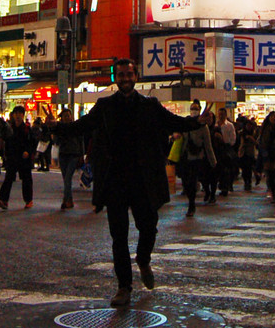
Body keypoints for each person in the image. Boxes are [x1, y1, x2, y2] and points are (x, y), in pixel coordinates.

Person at [50, 58, 201, 308]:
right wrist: (59, 128)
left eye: (129, 74)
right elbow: (83, 126)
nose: (125, 79)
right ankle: (124, 286)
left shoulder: (150, 105)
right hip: (115, 180)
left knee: (149, 226)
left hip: (144, 180)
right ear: (115, 78)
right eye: (120, 75)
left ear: (136, 76)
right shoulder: (105, 105)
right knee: (118, 236)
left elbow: (174, 122)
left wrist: (196, 122)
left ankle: (143, 259)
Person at [179, 101, 216, 218]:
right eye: (192, 108)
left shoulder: (203, 127)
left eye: (195, 109)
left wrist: (213, 161)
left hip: (197, 158)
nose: (193, 111)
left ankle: (192, 204)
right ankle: (191, 201)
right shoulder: (186, 123)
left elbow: (208, 145)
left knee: (193, 180)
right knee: (187, 182)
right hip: (186, 157)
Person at [0, 105, 35, 210]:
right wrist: (5, 154)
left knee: (26, 179)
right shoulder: (9, 128)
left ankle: (28, 200)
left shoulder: (27, 128)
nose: (18, 116)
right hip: (12, 157)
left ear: (23, 115)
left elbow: (32, 142)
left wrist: (28, 151)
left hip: (24, 158)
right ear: (13, 115)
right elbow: (5, 141)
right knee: (8, 178)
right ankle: (3, 200)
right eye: (16, 113)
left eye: (20, 113)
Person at [56, 109, 85, 210]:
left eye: (68, 115)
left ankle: (65, 200)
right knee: (66, 179)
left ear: (71, 116)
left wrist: (82, 155)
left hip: (74, 154)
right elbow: (56, 141)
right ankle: (70, 200)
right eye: (65, 116)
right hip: (63, 155)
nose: (67, 117)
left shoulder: (76, 127)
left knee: (68, 178)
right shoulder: (60, 128)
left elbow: (81, 141)